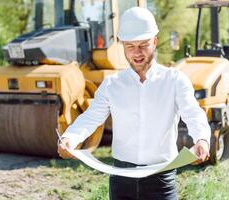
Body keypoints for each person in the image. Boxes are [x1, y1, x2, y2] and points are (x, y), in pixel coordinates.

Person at [58, 7, 211, 200]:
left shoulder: (175, 80)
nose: (137, 53)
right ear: (122, 45)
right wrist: (69, 137)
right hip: (122, 180)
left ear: (154, 42)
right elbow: (91, 117)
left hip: (161, 179)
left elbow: (193, 113)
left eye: (143, 45)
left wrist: (202, 139)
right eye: (130, 46)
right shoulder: (112, 84)